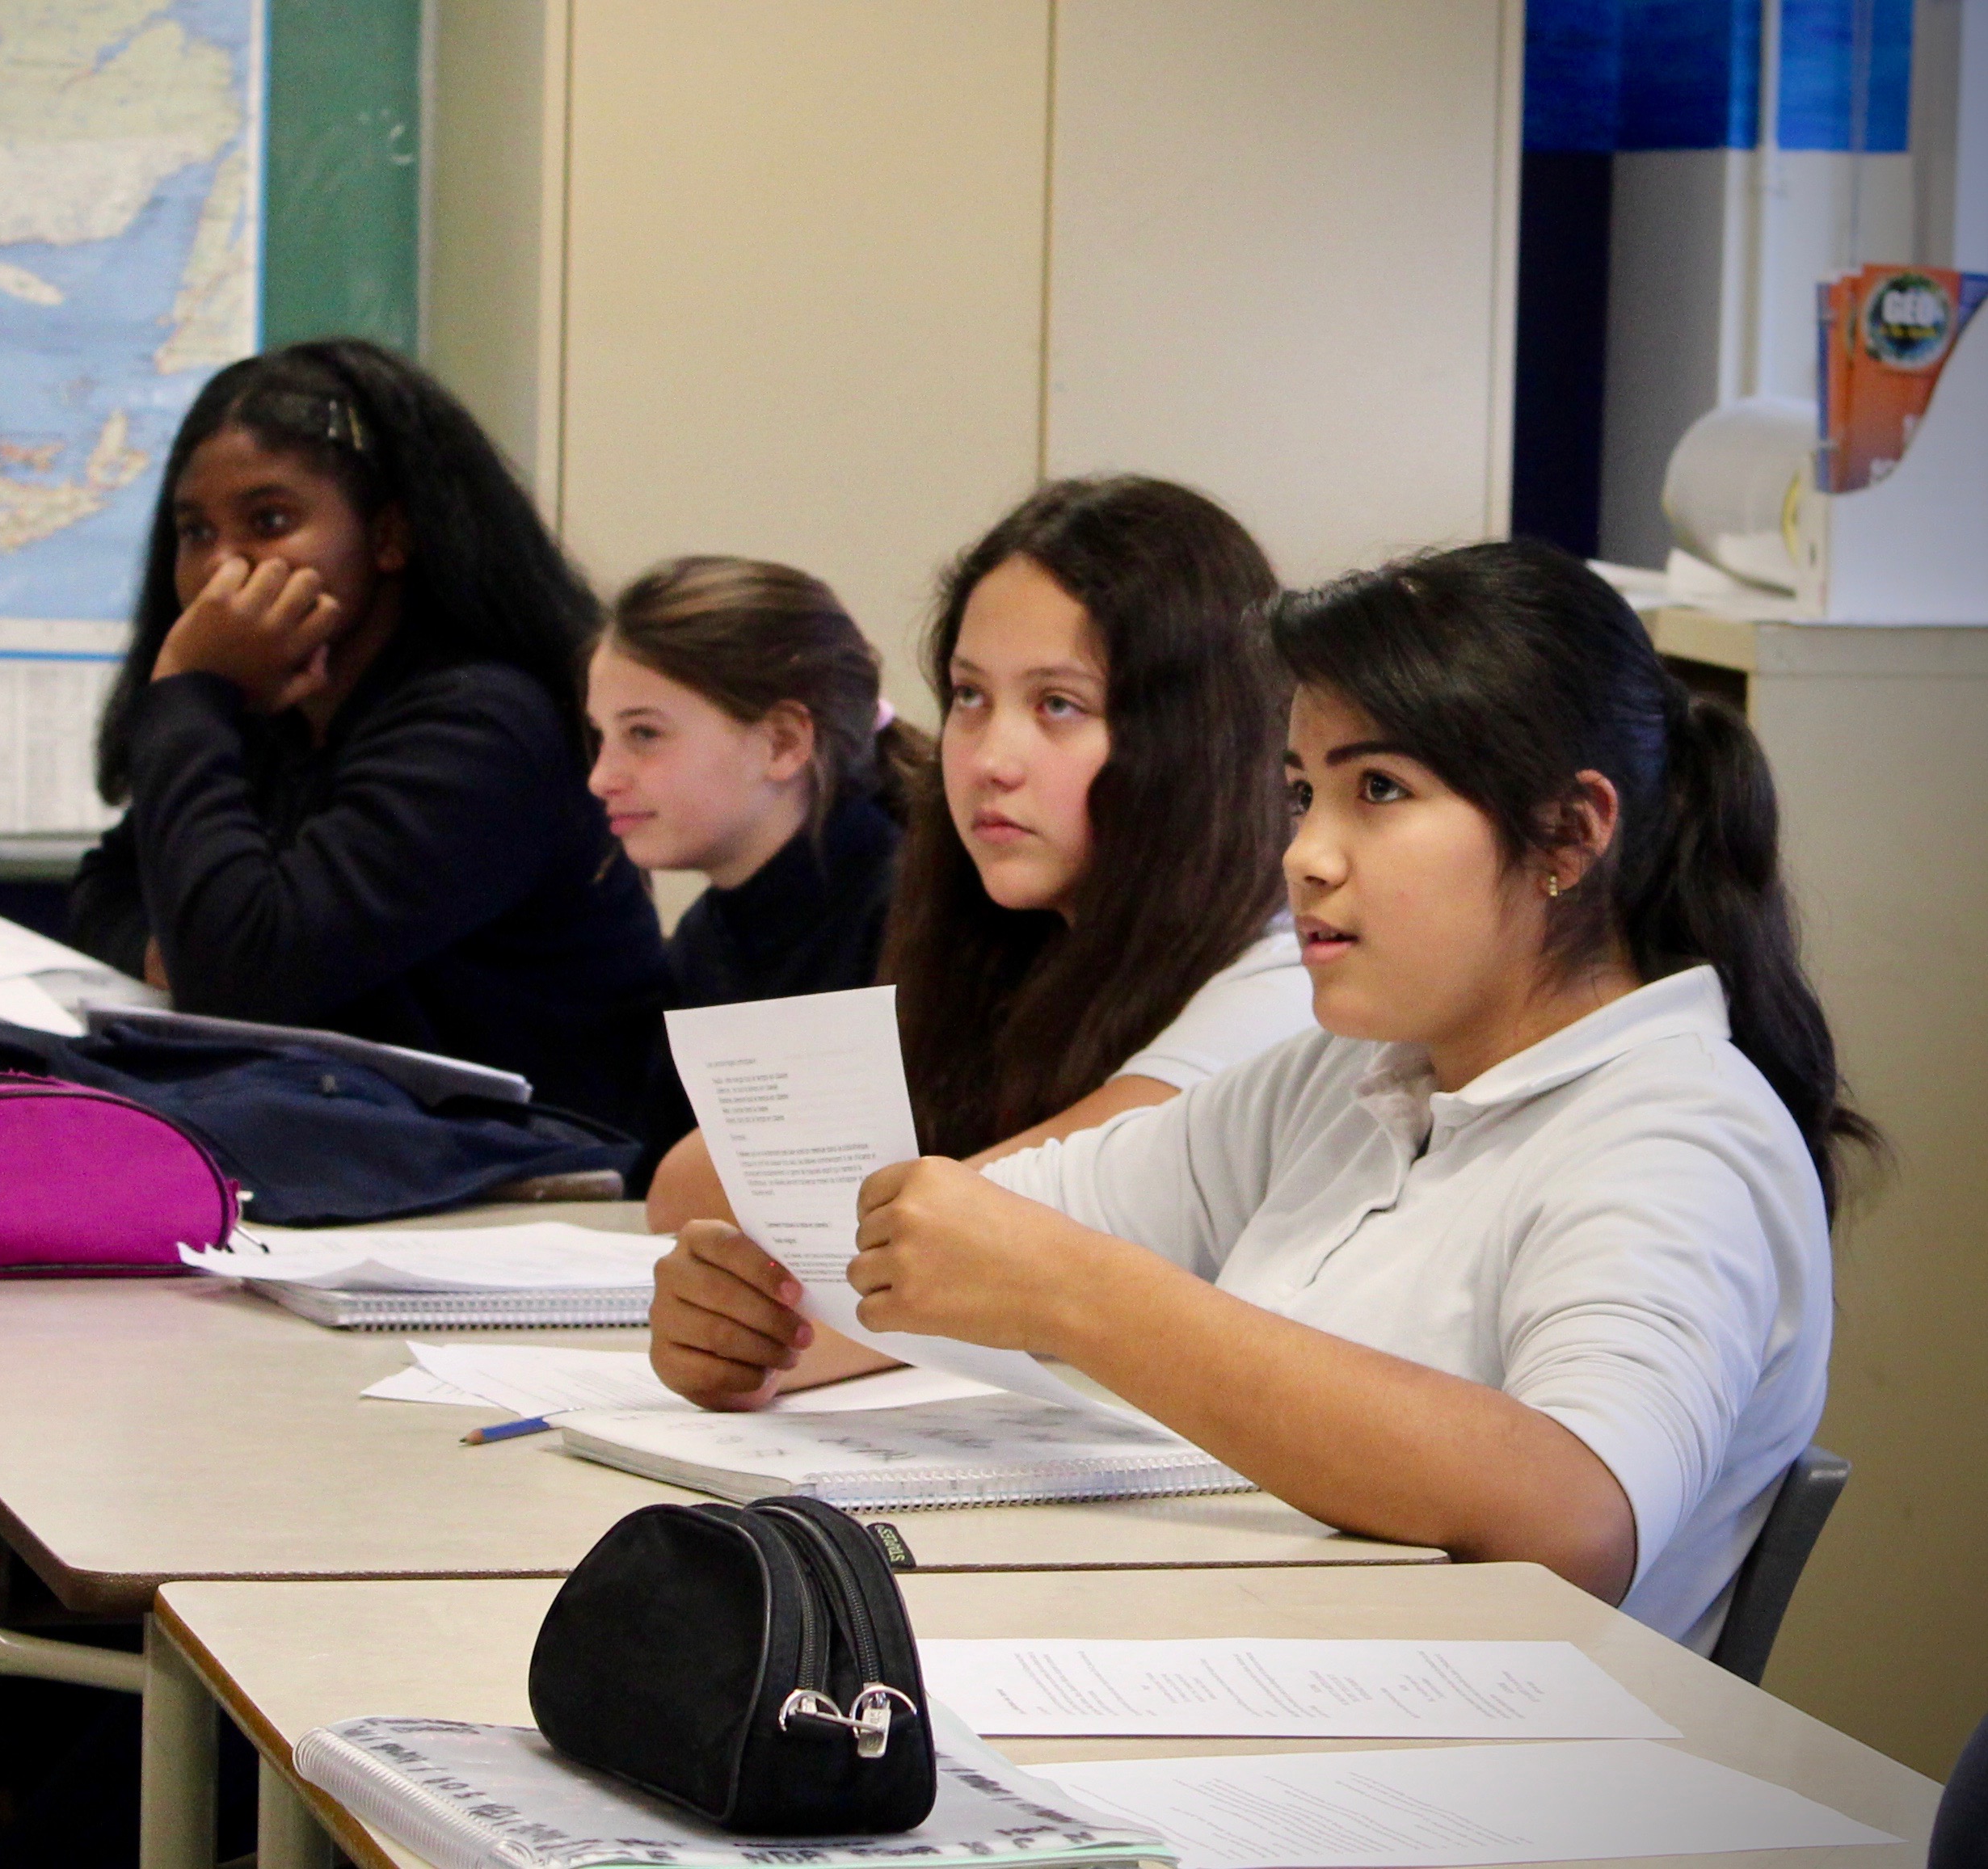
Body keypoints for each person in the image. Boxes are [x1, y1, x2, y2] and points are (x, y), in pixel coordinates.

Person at [649, 539, 1874, 1650]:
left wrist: (1080, 1294)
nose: (1307, 853)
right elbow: (975, 1245)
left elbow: (1573, 1512)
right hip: (1244, 1684)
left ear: (1567, 833)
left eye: (1377, 791)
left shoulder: (1678, 1131)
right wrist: (770, 1316)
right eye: (1300, 793)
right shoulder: (1346, 1078)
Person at [642, 476, 1312, 1228]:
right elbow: (689, 1194)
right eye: (969, 697)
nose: (990, 759)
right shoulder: (1000, 948)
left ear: (1197, 738)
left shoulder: (1283, 979)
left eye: (1058, 704)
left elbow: (951, 1244)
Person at [67, 339, 668, 1128]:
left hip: (551, 1187)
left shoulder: (484, 725)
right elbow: (107, 885)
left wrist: (190, 691)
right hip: (381, 1169)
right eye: (195, 532)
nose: (220, 570)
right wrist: (165, 945)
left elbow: (239, 975)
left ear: (388, 536)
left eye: (269, 521)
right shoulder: (280, 709)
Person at [583, 557, 929, 1181]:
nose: (601, 777)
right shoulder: (707, 936)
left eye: (643, 734)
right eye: (600, 736)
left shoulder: (911, 914)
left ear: (783, 743)